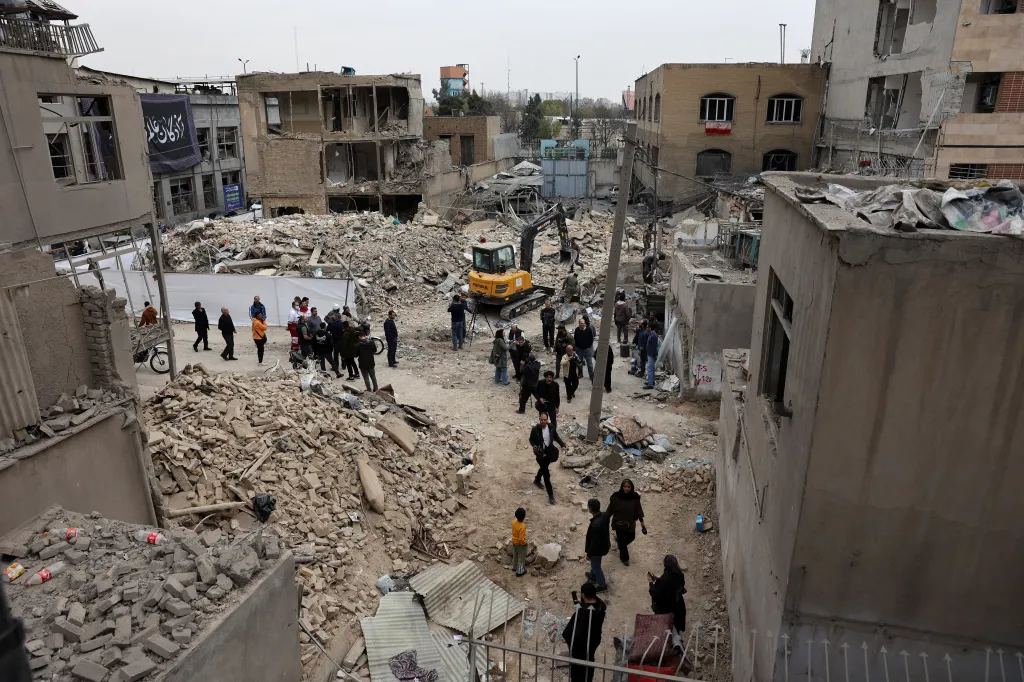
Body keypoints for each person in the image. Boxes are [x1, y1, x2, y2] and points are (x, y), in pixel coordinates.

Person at [562, 582, 607, 682]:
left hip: (579, 651)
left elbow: (567, 633)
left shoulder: (582, 613)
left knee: (578, 675)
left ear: (583, 595)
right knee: (589, 670)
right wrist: (583, 604)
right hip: (592, 644)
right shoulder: (601, 607)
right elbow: (593, 605)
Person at [606, 479, 646, 565]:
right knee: (623, 542)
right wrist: (605, 519)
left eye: (628, 487)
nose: (626, 488)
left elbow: (638, 510)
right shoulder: (616, 497)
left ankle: (620, 543)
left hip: (630, 523)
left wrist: (642, 522)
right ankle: (625, 559)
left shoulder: (635, 497)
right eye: (625, 487)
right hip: (619, 523)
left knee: (632, 537)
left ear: (631, 487)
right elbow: (610, 510)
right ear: (622, 487)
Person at [528, 411, 563, 505]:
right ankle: (551, 495)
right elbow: (531, 440)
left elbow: (556, 436)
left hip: (549, 452)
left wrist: (562, 444)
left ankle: (537, 479)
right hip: (540, 455)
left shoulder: (551, 427)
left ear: (547, 419)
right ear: (539, 419)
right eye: (541, 419)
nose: (543, 421)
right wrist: (534, 446)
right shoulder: (535, 429)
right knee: (546, 475)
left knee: (544, 468)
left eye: (545, 419)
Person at [648, 555, 687, 633]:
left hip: (666, 609)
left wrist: (651, 582)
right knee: (677, 626)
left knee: (666, 629)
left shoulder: (664, 581)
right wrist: (657, 579)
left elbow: (655, 594)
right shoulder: (679, 574)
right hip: (678, 606)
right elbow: (679, 587)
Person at [584, 499, 610, 592]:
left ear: (590, 509)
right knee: (596, 563)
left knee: (596, 566)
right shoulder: (605, 515)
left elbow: (594, 544)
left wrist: (589, 555)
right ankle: (593, 575)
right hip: (604, 545)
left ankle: (602, 585)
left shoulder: (595, 525)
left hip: (597, 550)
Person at [512, 507, 528, 577]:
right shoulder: (522, 526)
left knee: (515, 555)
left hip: (514, 542)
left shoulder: (514, 522)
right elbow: (521, 539)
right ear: (524, 517)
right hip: (520, 544)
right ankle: (520, 572)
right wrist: (524, 543)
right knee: (521, 558)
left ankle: (514, 567)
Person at [645, 324, 660, 389]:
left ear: (650, 328)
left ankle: (650, 384)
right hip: (650, 354)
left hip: (652, 355)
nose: (646, 328)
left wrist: (654, 355)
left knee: (650, 369)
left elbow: (654, 347)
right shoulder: (651, 334)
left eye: (647, 327)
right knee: (651, 369)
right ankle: (651, 381)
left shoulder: (654, 336)